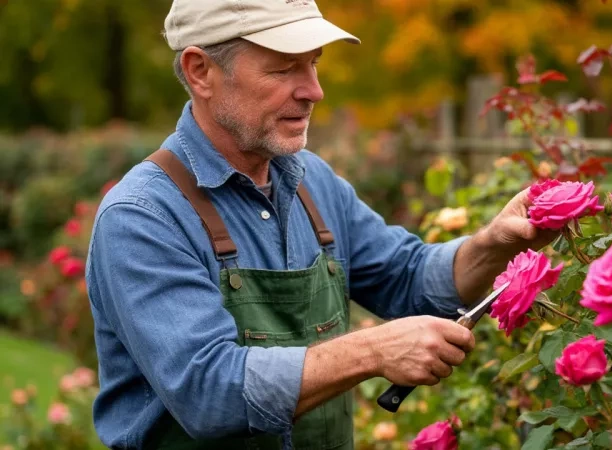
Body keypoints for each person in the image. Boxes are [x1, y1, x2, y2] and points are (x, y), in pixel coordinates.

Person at [85, 0, 559, 449]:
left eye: (313, 63)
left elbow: (407, 277)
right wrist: (372, 351)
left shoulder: (313, 183)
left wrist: (494, 244)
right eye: (284, 67)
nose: (313, 90)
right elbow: (210, 392)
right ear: (200, 71)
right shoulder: (144, 216)